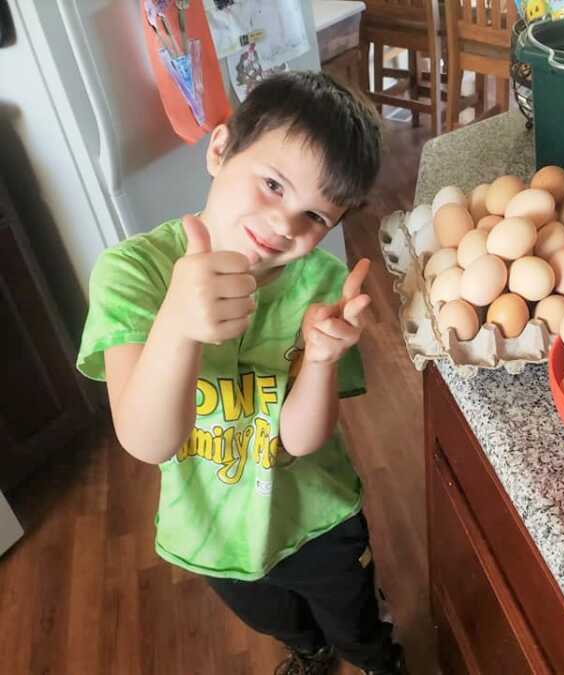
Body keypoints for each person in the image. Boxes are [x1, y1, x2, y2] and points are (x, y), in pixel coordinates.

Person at [76, 72, 404, 675]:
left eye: (314, 217)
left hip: (316, 518)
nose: (285, 225)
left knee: (355, 618)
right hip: (212, 529)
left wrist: (324, 358)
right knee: (275, 619)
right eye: (273, 184)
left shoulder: (321, 288)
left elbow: (300, 440)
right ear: (220, 148)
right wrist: (177, 320)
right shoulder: (132, 275)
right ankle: (310, 653)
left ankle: (376, 659)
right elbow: (149, 441)